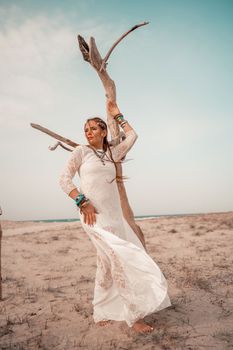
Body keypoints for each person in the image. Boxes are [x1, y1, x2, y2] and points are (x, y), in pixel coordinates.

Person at [59, 100, 171, 334]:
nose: (88, 132)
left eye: (93, 128)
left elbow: (132, 136)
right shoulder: (81, 152)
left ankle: (100, 311)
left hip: (114, 218)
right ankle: (134, 317)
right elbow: (64, 180)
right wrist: (82, 201)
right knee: (119, 262)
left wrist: (118, 115)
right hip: (93, 219)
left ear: (104, 131)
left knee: (105, 264)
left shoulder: (112, 153)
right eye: (86, 129)